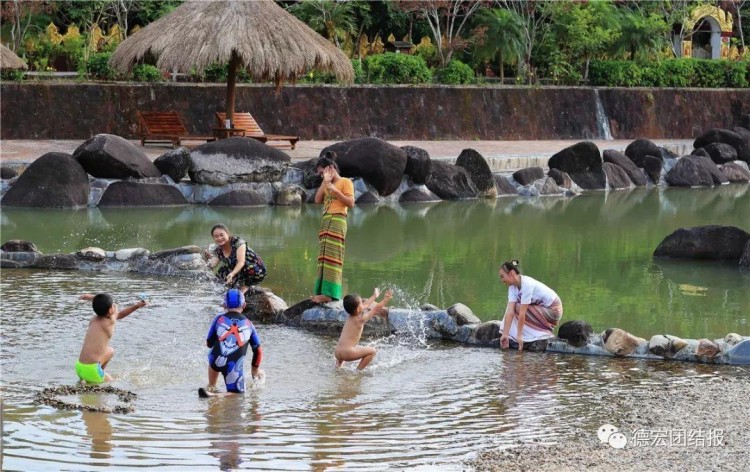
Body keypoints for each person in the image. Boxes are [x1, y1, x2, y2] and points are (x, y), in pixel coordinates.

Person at [200, 288, 263, 398]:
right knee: (237, 394)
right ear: (244, 306)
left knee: (213, 355)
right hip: (233, 365)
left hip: (214, 360)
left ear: (224, 305)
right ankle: (213, 396)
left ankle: (211, 386)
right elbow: (258, 350)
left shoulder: (218, 319)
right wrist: (255, 369)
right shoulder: (249, 324)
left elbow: (209, 343)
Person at [310, 151, 355, 304]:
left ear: (330, 168)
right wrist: (326, 182)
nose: (322, 175)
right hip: (326, 220)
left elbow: (350, 203)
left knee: (333, 257)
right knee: (323, 257)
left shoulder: (345, 182)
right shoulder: (326, 183)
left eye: (322, 172)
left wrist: (335, 190)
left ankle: (330, 294)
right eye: (320, 174)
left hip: (338, 220)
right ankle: (321, 292)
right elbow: (317, 200)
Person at [76, 293, 149, 384]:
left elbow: (119, 314)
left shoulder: (93, 319)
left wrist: (136, 306)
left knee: (110, 350)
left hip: (79, 368)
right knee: (111, 382)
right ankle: (97, 376)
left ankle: (88, 377)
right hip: (91, 371)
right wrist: (93, 297)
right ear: (110, 309)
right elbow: (116, 307)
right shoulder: (109, 321)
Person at [498, 260, 563, 351]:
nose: (502, 280)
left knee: (519, 307)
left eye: (502, 276)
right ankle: (518, 335)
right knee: (511, 307)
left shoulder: (526, 284)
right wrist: (505, 334)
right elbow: (510, 311)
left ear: (511, 273)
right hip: (539, 310)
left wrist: (519, 336)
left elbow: (522, 313)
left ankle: (537, 335)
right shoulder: (512, 287)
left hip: (553, 311)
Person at [335, 288, 393, 370]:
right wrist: (386, 299)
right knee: (372, 351)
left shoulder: (350, 316)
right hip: (347, 353)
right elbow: (376, 309)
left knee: (351, 347)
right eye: (361, 303)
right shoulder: (361, 319)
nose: (363, 304)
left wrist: (374, 296)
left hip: (337, 353)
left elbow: (365, 305)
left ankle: (338, 368)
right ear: (358, 309)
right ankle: (358, 371)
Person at [208, 224, 267, 295]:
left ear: (228, 234)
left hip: (255, 269)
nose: (219, 238)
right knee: (221, 272)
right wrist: (207, 260)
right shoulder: (218, 250)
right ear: (213, 238)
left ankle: (247, 286)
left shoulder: (238, 242)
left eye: (221, 235)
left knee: (247, 266)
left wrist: (232, 274)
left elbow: (241, 262)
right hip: (239, 272)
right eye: (216, 236)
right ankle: (227, 289)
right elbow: (211, 266)